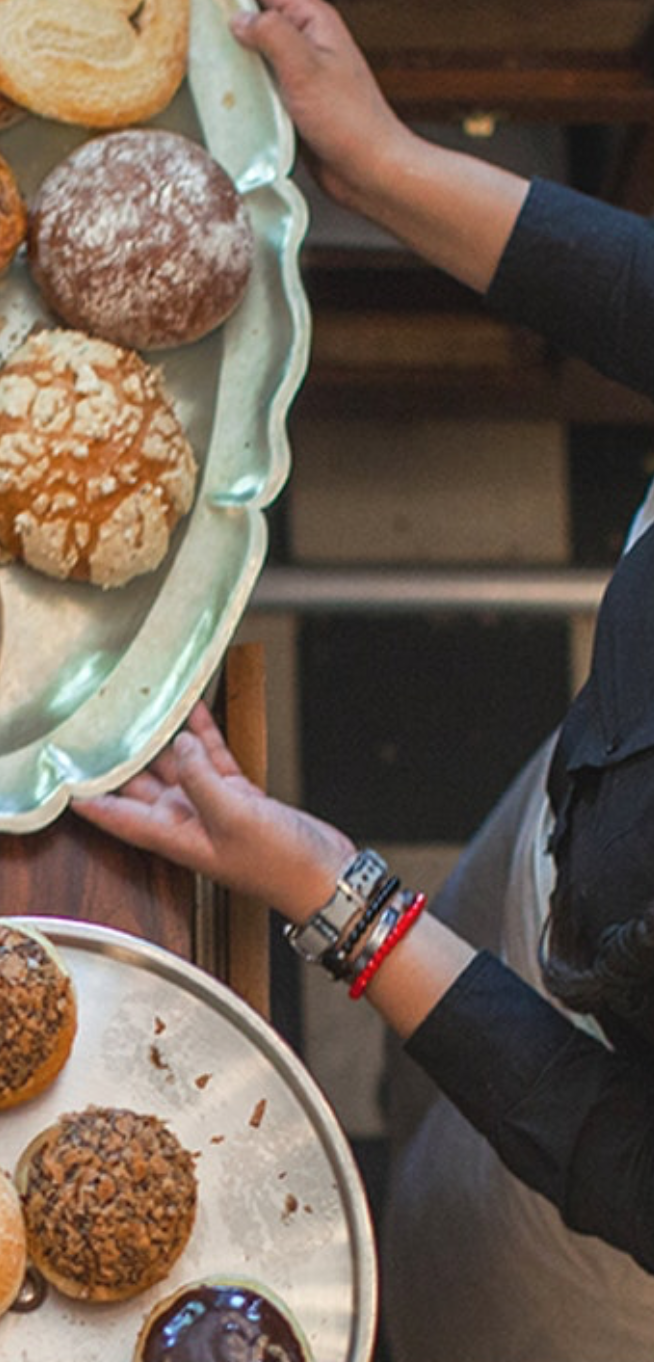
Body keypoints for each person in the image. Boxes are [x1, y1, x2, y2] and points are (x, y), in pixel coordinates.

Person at [72, 1, 654, 1357]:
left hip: (592, 1196)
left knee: (442, 1262)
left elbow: (600, 1135)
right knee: (477, 947)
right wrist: (382, 161)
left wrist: (330, 888)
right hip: (601, 829)